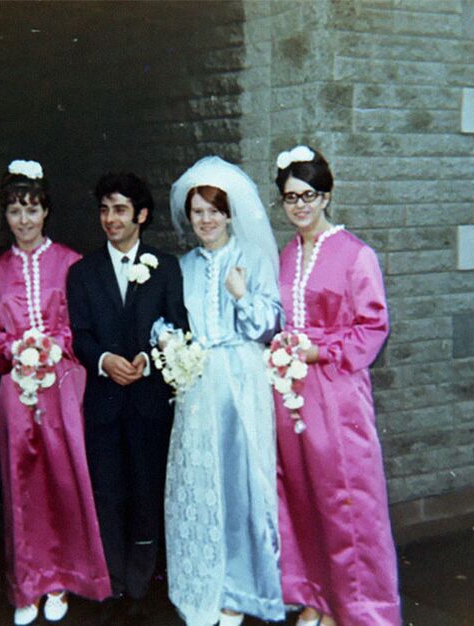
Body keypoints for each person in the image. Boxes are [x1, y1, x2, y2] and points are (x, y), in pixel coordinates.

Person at [0, 160, 110, 625]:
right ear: (6, 215)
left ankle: (62, 580)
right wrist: (13, 349)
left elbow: (82, 322)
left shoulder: (70, 262)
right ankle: (29, 582)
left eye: (32, 210)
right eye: (15, 211)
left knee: (64, 478)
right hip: (17, 387)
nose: (24, 220)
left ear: (46, 211)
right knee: (23, 484)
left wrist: (54, 345)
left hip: (63, 384)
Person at [272, 145, 401, 626]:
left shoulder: (355, 254)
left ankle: (357, 605)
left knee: (346, 497)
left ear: (325, 197)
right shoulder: (287, 254)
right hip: (292, 394)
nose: (300, 205)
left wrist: (320, 351)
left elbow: (373, 327)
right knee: (303, 493)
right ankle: (315, 594)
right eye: (291, 197)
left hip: (338, 391)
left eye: (308, 195)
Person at [162, 156, 285, 626]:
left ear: (230, 214)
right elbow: (172, 318)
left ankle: (238, 590)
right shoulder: (184, 266)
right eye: (197, 212)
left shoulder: (252, 258)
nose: (206, 220)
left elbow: (270, 325)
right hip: (198, 385)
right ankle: (207, 583)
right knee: (202, 482)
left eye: (214, 211)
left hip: (240, 381)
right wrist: (167, 340)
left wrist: (241, 295)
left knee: (240, 483)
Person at [66, 172, 188, 624]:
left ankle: (142, 579)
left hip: (147, 400)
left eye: (120, 209)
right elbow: (79, 334)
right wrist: (103, 361)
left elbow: (177, 327)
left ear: (141, 214)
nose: (110, 219)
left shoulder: (165, 267)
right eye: (104, 209)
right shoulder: (82, 272)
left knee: (146, 488)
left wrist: (147, 358)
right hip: (104, 401)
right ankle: (112, 578)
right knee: (109, 490)